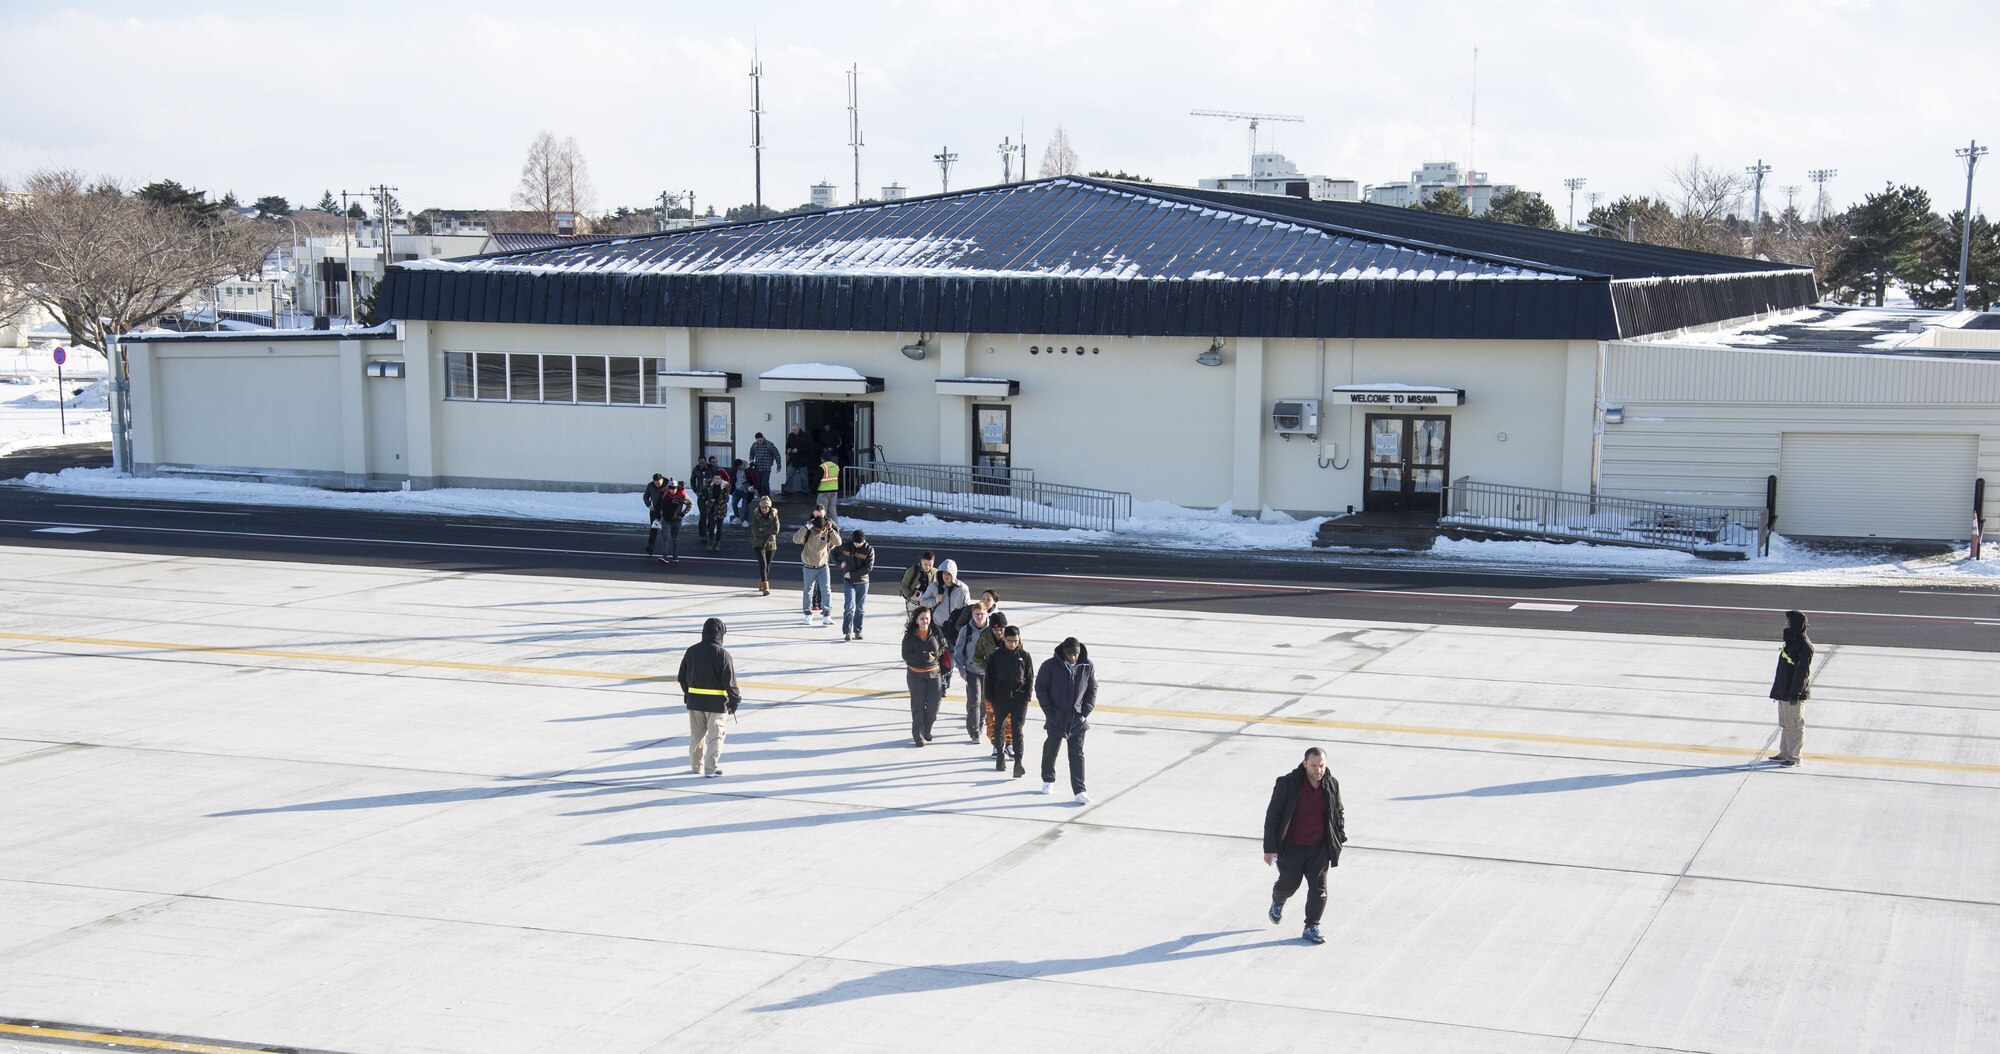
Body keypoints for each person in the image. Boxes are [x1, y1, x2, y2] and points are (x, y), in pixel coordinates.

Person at [1262, 747, 1348, 946]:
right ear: (1304, 763)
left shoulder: (1331, 784)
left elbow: (1338, 811)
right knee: (1289, 884)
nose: (1318, 770)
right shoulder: (1288, 784)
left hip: (1319, 848)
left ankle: (1311, 926)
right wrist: (1270, 848)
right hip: (1292, 847)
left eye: (1321, 766)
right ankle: (1278, 901)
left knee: (1319, 889)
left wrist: (1339, 836)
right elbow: (1273, 817)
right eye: (1314, 765)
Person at [676, 617, 741, 779]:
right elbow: (730, 681)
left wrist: (688, 694)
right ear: (720, 634)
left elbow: (681, 677)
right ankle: (710, 769)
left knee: (696, 737)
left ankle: (696, 766)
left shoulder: (691, 651)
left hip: (695, 702)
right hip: (716, 704)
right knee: (715, 736)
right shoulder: (722, 654)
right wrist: (734, 701)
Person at [1035, 636, 1096, 804]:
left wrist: (1085, 711)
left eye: (1075, 654)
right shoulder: (1050, 666)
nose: (1073, 657)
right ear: (1064, 653)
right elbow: (1040, 688)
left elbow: (1092, 688)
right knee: (1051, 749)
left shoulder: (1087, 665)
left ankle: (1080, 791)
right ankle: (1048, 780)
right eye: (1070, 655)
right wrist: (1049, 712)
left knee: (1077, 754)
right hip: (1056, 716)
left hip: (1077, 718)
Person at [983, 621, 1032, 778]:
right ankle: (1000, 756)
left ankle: (1018, 763)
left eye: (1016, 641)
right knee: (999, 727)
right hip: (1000, 698)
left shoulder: (1024, 656)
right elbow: (989, 678)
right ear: (1004, 639)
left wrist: (1027, 696)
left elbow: (1030, 677)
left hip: (1019, 698)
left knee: (1017, 730)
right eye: (1010, 641)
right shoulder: (995, 656)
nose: (1013, 644)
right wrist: (989, 697)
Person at [1767, 609, 1814, 767]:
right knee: (1786, 724)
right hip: (1784, 692)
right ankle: (1785, 753)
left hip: (1793, 694)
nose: (1786, 625)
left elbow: (1802, 674)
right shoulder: (1791, 642)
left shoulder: (1804, 646)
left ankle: (1795, 757)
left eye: (1789, 622)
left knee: (1794, 726)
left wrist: (1795, 693)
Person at [919, 560, 971, 695]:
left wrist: (961, 626)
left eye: (948, 574)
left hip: (954, 629)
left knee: (951, 656)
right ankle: (940, 682)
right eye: (943, 573)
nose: (945, 576)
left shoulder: (963, 589)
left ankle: (946, 679)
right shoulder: (934, 586)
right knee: (937, 654)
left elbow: (967, 609)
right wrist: (935, 600)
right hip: (938, 626)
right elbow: (923, 601)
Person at [972, 611, 1013, 760]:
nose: (999, 632)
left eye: (1001, 629)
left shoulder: (1012, 638)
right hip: (991, 685)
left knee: (1010, 718)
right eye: (996, 630)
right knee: (992, 718)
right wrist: (988, 667)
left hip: (1009, 686)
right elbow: (976, 657)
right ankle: (996, 745)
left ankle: (1009, 744)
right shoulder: (984, 638)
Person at [902, 607, 944, 746]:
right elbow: (906, 655)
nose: (925, 621)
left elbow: (943, 646)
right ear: (916, 620)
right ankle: (918, 734)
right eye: (921, 618)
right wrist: (923, 656)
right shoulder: (910, 636)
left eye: (927, 618)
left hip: (934, 673)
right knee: (918, 706)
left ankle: (927, 728)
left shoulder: (936, 631)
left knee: (934, 705)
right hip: (916, 675)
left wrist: (936, 655)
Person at [793, 506, 841, 627]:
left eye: (822, 529)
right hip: (809, 566)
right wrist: (805, 528)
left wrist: (830, 530)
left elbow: (838, 542)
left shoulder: (827, 528)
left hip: (823, 566)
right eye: (818, 529)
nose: (820, 531)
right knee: (808, 591)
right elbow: (796, 539)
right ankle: (808, 614)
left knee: (826, 590)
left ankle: (827, 614)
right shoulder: (808, 530)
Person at [953, 605, 993, 743]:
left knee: (985, 701)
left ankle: (981, 721)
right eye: (976, 614)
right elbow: (958, 652)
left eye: (981, 614)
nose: (979, 617)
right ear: (972, 614)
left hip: (989, 672)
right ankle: (974, 731)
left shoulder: (992, 629)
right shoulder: (966, 630)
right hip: (972, 671)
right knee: (974, 701)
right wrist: (962, 670)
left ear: (986, 613)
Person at [834, 527, 875, 641]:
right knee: (849, 606)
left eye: (860, 543)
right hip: (849, 582)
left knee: (860, 608)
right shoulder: (846, 546)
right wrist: (839, 563)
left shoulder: (869, 550)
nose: (858, 545)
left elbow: (868, 568)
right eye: (856, 543)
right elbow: (834, 552)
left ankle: (858, 630)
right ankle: (847, 631)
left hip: (863, 582)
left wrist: (851, 574)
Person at [749, 495, 780, 595]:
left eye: (766, 507)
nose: (764, 509)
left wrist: (763, 529)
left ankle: (762, 582)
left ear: (769, 507)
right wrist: (767, 530)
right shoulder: (756, 515)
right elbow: (755, 531)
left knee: (768, 565)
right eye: (762, 507)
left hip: (771, 543)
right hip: (759, 543)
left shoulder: (774, 515)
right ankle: (766, 586)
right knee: (763, 564)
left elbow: (776, 530)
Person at [656, 477, 690, 562]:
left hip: (676, 519)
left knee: (675, 538)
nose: (672, 490)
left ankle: (675, 556)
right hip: (666, 518)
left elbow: (690, 504)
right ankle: (665, 556)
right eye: (670, 488)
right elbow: (658, 503)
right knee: (665, 537)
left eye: (674, 488)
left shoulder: (682, 495)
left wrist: (683, 513)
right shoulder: (664, 493)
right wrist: (659, 514)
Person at [698, 472, 730, 551]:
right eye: (715, 478)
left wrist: (716, 501)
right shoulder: (709, 486)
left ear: (721, 479)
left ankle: (717, 542)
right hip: (711, 509)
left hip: (721, 509)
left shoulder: (725, 487)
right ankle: (711, 542)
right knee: (712, 526)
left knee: (719, 527)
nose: (716, 480)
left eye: (718, 479)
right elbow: (701, 492)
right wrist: (706, 500)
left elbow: (726, 499)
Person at [641, 473, 668, 556]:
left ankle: (667, 549)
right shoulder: (650, 485)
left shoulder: (668, 485)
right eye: (655, 483)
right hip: (654, 510)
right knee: (653, 528)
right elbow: (646, 496)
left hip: (666, 510)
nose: (657, 485)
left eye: (659, 483)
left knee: (666, 530)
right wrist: (649, 505)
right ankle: (650, 546)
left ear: (662, 480)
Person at [749, 432, 782, 497]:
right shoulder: (755, 445)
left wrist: (779, 465)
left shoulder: (769, 444)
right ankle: (761, 498)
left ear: (763, 437)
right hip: (757, 467)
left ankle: (767, 498)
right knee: (758, 484)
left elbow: (777, 455)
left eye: (760, 440)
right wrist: (751, 460)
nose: (759, 442)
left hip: (767, 467)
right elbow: (751, 454)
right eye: (758, 441)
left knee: (764, 484)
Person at [784, 425, 815, 495]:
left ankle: (805, 491)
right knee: (789, 473)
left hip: (803, 459)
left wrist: (798, 450)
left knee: (803, 476)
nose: (793, 431)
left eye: (794, 430)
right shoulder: (791, 436)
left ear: (798, 429)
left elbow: (809, 447)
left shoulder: (805, 436)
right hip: (793, 459)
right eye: (792, 430)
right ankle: (787, 490)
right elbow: (788, 444)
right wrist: (788, 449)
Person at [817, 449, 842, 519]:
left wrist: (812, 491)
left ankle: (821, 527)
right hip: (834, 491)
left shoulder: (822, 467)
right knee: (832, 510)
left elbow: (816, 480)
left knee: (821, 512)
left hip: (823, 492)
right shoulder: (836, 466)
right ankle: (835, 527)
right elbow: (839, 478)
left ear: (823, 459)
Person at [730, 458, 756, 524]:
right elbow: (732, 479)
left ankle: (746, 520)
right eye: (738, 468)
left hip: (745, 490)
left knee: (745, 505)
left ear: (742, 464)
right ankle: (737, 517)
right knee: (733, 503)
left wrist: (754, 487)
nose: (739, 468)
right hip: (737, 489)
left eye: (740, 467)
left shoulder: (749, 470)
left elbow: (755, 479)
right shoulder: (735, 470)